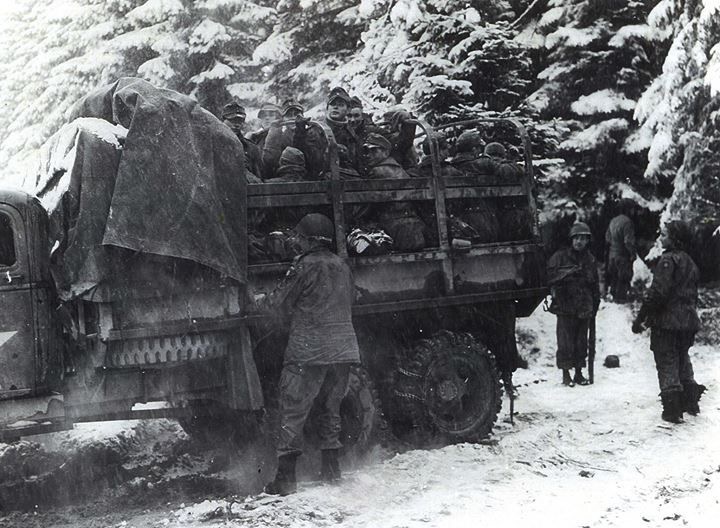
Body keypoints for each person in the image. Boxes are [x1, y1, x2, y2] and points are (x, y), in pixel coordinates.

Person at [254, 213, 360, 495]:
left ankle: (286, 479)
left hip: (308, 351)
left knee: (293, 411)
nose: (295, 241)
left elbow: (280, 303)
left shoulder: (303, 266)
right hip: (343, 349)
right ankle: (331, 471)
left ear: (310, 240)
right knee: (331, 409)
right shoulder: (342, 265)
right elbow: (352, 298)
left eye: (299, 237)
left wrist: (260, 300)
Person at [632, 220, 706, 423]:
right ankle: (691, 401)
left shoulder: (667, 261)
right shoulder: (690, 261)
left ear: (674, 238)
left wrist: (641, 317)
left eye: (664, 234)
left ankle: (672, 409)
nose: (660, 238)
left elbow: (657, 293)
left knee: (666, 360)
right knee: (682, 358)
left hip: (668, 322)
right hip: (687, 321)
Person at [547, 221, 600, 386]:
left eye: (583, 239)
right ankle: (565, 374)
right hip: (565, 306)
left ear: (587, 241)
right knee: (565, 342)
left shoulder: (590, 259)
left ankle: (578, 372)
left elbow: (595, 285)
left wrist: (595, 306)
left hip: (584, 306)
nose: (579, 242)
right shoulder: (560, 257)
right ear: (571, 239)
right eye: (577, 238)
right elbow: (550, 277)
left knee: (581, 342)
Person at [364, 133, 426, 251]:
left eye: (374, 151)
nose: (368, 155)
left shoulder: (377, 172)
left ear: (386, 153)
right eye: (367, 151)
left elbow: (370, 205)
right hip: (413, 227)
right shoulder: (399, 169)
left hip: (391, 227)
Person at [262, 99, 305, 178]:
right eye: (289, 115)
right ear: (283, 119)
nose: (293, 118)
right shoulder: (280, 137)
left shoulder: (311, 134)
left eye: (296, 114)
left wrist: (300, 133)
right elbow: (270, 162)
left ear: (303, 116)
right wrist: (274, 132)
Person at [221, 99, 263, 180]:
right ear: (223, 120)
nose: (236, 124)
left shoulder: (251, 148)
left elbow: (259, 178)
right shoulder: (213, 144)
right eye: (232, 120)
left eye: (240, 121)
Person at [605, 198, 637, 302]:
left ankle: (614, 300)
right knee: (623, 279)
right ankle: (621, 302)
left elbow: (607, 238)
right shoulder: (628, 222)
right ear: (627, 209)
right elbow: (628, 241)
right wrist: (632, 253)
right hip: (622, 256)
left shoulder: (613, 221)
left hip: (612, 255)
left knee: (614, 278)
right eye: (632, 209)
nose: (633, 211)